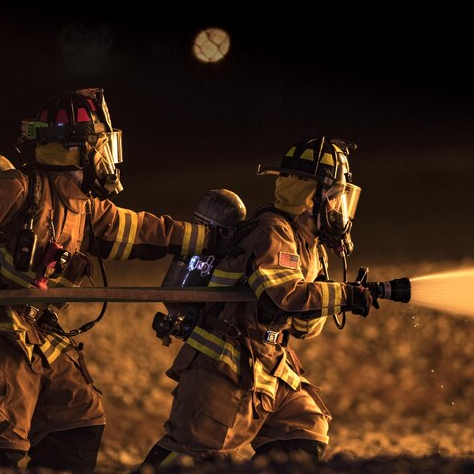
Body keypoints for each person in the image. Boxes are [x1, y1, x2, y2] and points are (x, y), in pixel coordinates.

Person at [0, 88, 219, 473]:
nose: (109, 157)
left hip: (32, 329)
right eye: (104, 146)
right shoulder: (19, 188)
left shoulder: (83, 206)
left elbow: (141, 230)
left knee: (78, 420)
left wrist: (211, 239)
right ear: (81, 149)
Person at [141, 136, 377, 468]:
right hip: (224, 368)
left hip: (269, 367)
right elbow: (283, 298)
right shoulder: (273, 232)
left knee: (304, 427)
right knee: (189, 455)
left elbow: (304, 327)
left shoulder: (311, 247)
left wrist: (330, 298)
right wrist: (345, 295)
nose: (341, 211)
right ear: (313, 197)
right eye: (338, 199)